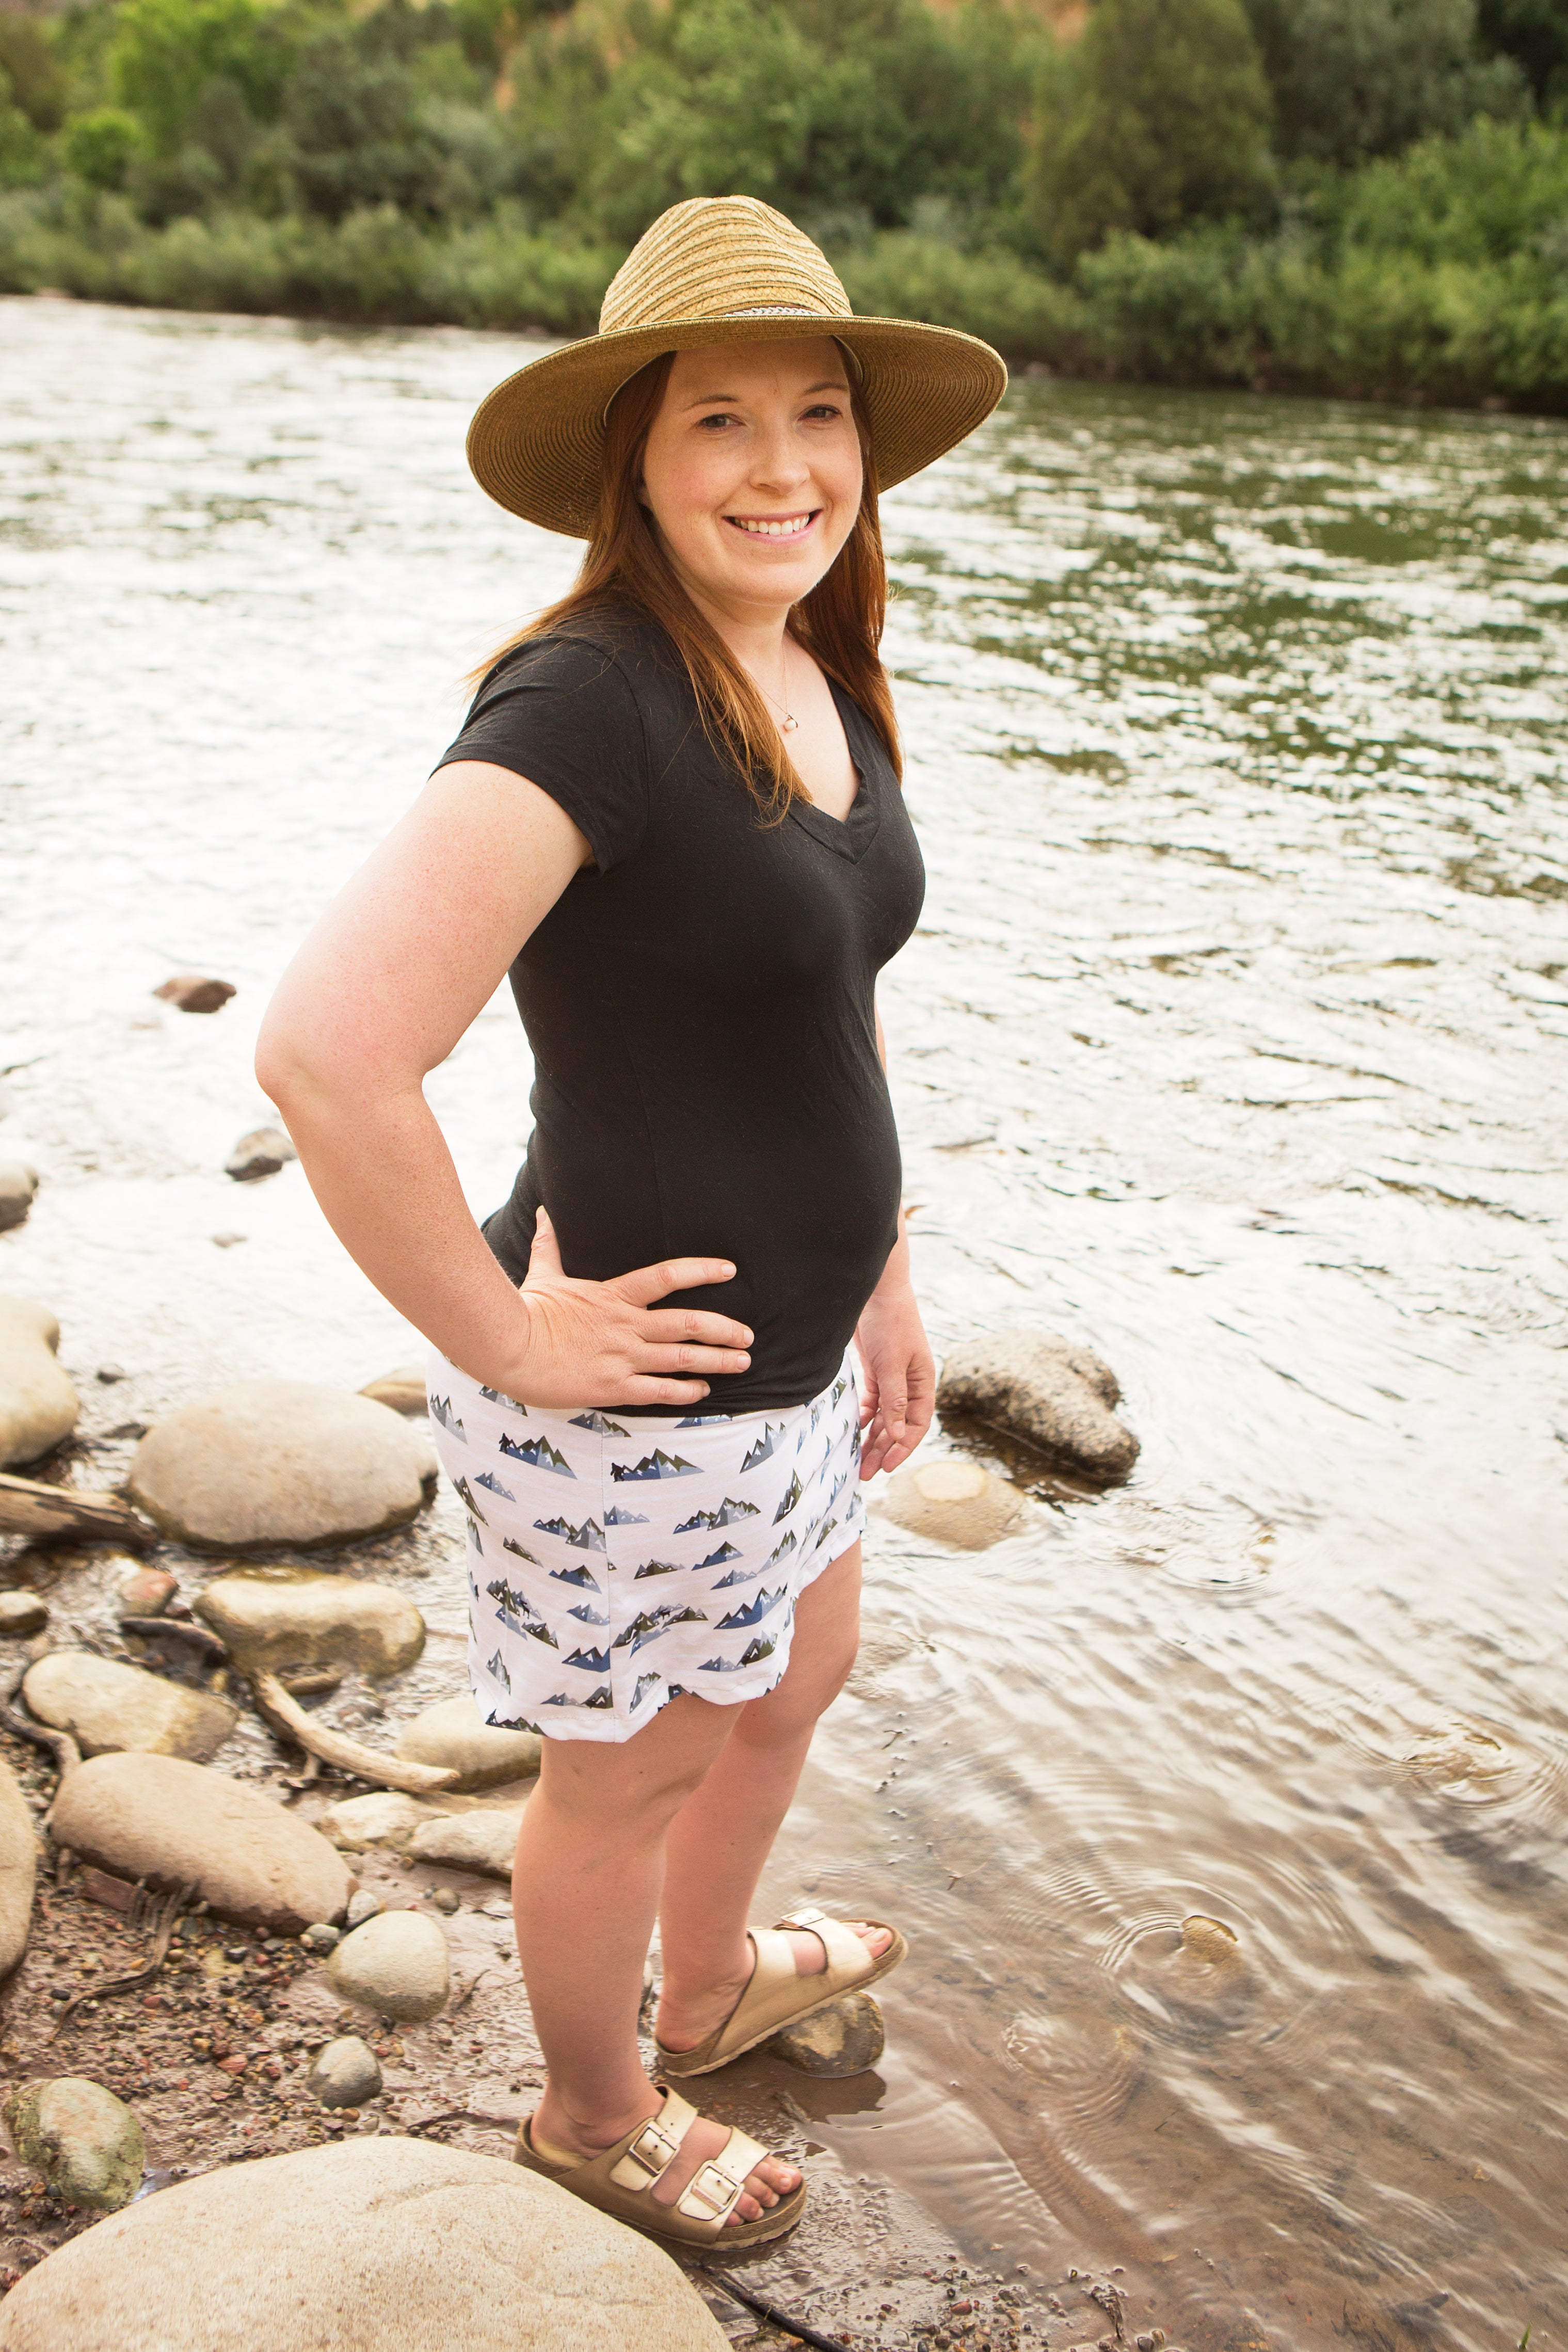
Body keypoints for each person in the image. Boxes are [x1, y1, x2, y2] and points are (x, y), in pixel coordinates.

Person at [257, 194, 1004, 2248]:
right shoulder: (589, 700)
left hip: (791, 1372)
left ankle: (713, 1982)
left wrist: (884, 1272)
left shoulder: (813, 652)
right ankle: (592, 2115)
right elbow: (327, 1054)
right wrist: (503, 1339)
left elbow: (818, 1009)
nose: (782, 470)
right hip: (637, 1399)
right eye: (719, 426)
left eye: (818, 415)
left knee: (793, 1683)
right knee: (632, 1774)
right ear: (634, 464)